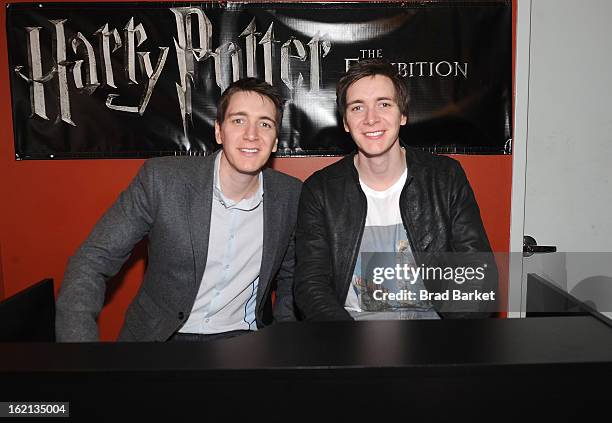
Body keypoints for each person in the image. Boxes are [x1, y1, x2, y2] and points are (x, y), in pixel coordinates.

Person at [56, 78, 302, 342]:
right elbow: (92, 260)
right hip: (162, 340)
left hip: (244, 342)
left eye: (265, 124)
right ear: (219, 131)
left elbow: (292, 275)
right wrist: (78, 353)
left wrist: (284, 338)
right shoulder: (162, 180)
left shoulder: (290, 195)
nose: (251, 134)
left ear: (275, 140)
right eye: (238, 120)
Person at [294, 59, 497, 321]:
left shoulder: (445, 178)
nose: (371, 119)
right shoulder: (320, 190)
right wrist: (347, 344)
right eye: (358, 107)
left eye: (384, 104)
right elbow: (311, 285)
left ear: (403, 114)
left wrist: (450, 344)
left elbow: (477, 272)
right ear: (345, 122)